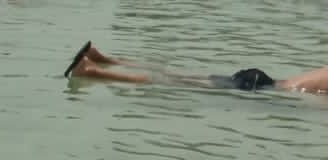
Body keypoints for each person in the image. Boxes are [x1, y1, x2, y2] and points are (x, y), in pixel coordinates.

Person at [65, 39, 328, 95]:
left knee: (179, 75)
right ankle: (93, 71)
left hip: (260, 79)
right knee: (172, 82)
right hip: (258, 87)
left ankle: (104, 59)